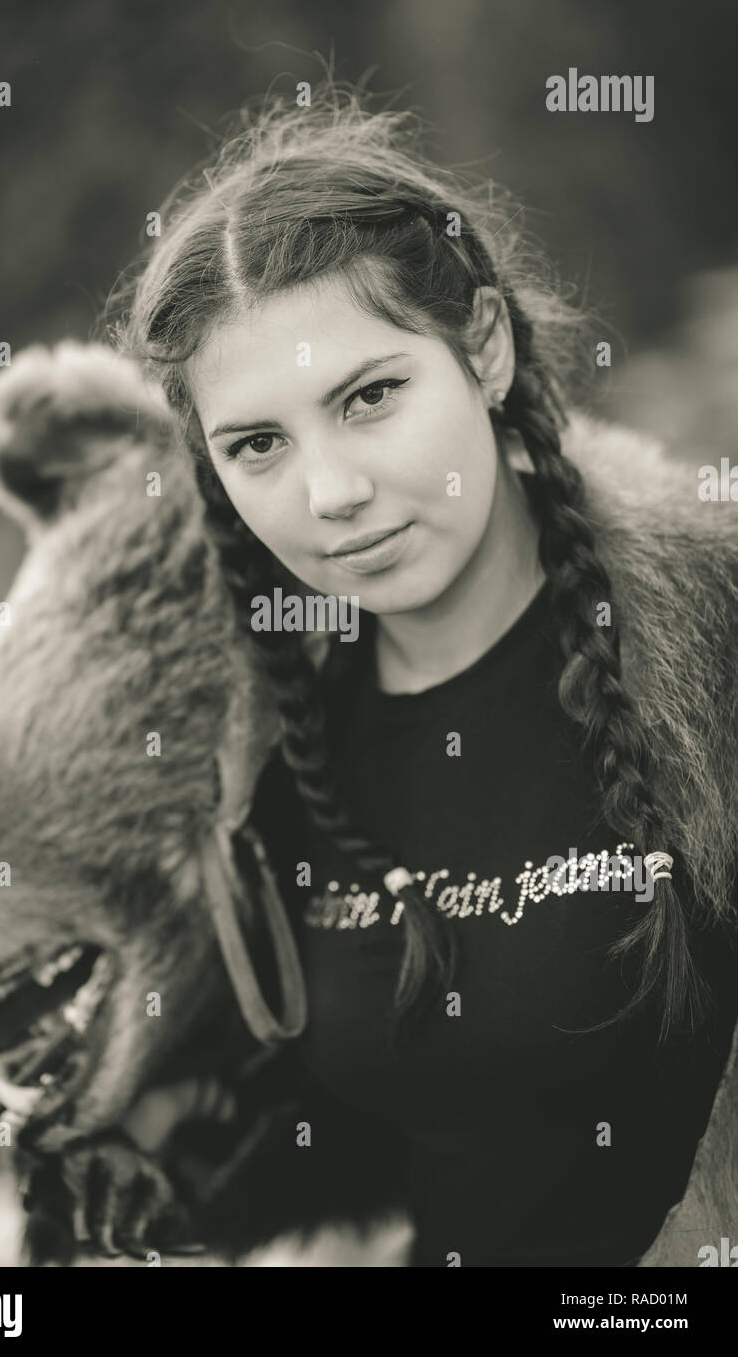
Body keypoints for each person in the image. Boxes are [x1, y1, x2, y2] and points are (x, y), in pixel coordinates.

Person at [113, 82, 738, 1267]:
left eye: (370, 398)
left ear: (485, 349)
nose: (330, 492)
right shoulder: (276, 745)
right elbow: (405, 1129)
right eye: (258, 444)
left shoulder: (713, 639)